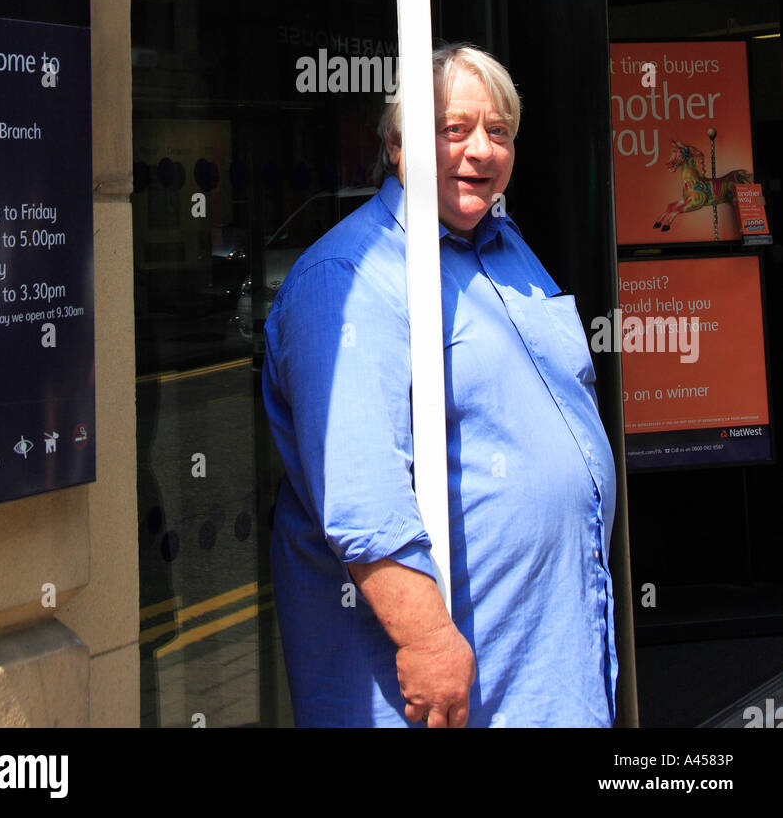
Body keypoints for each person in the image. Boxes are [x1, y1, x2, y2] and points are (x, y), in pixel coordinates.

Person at [262, 43, 618, 728]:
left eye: (499, 131)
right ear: (397, 146)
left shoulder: (507, 244)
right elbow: (363, 495)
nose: (481, 150)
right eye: (454, 129)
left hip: (547, 666)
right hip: (449, 686)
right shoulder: (349, 277)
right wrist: (426, 640)